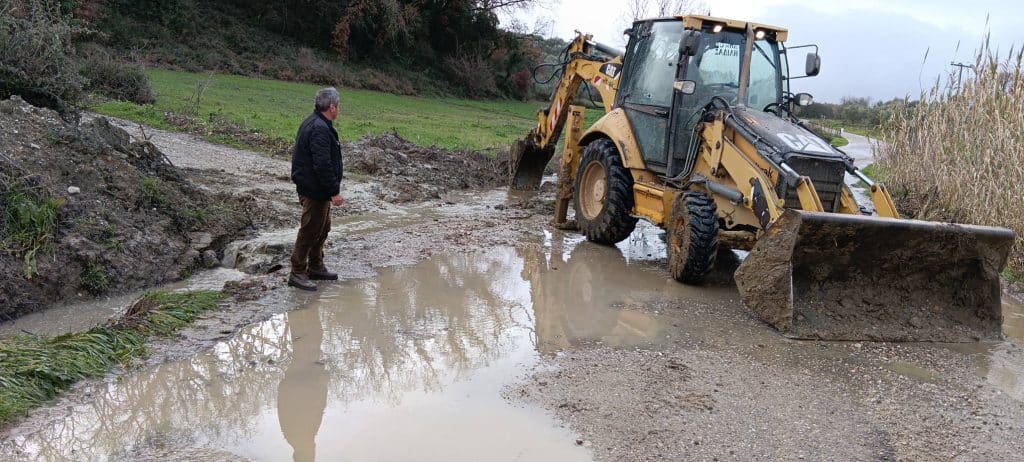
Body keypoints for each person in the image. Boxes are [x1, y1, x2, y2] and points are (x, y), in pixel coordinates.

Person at [289, 87, 344, 291]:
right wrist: (334, 191)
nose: (338, 110)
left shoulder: (318, 123)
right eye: (338, 106)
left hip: (317, 188)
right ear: (331, 107)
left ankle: (316, 266)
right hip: (314, 189)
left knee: (322, 228)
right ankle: (297, 272)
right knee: (310, 230)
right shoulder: (319, 127)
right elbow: (322, 164)